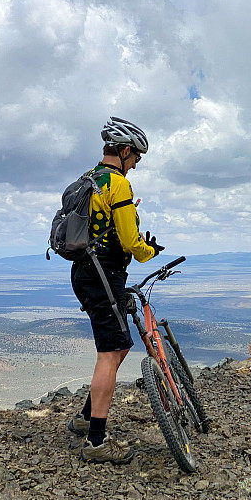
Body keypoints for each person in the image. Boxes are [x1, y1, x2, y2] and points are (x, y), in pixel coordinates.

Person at [66, 116, 164, 464]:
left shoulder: (90, 178)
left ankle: (84, 418)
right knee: (110, 352)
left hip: (85, 273)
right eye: (136, 157)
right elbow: (129, 242)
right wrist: (148, 250)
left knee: (119, 346)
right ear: (124, 151)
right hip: (103, 276)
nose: (136, 164)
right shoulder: (118, 185)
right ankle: (96, 442)